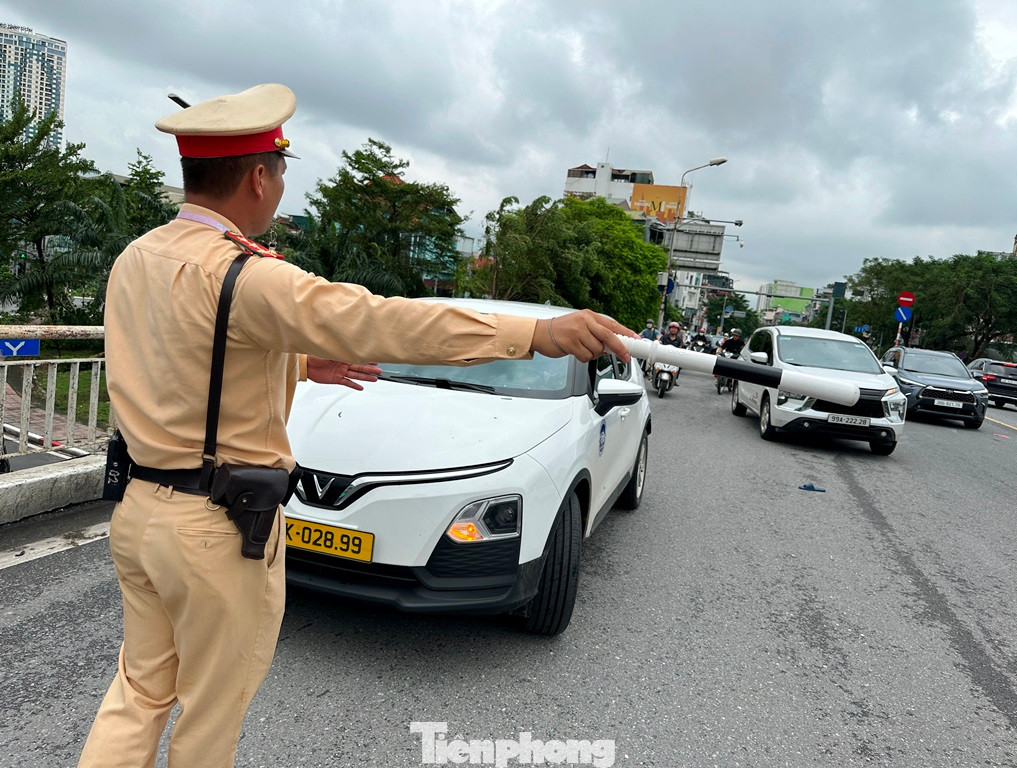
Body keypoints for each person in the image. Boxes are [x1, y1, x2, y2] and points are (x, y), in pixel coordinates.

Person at [78, 83, 636, 768]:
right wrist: (537, 332)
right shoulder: (249, 277)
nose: (280, 184)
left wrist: (299, 364)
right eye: (280, 170)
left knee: (138, 692)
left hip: (139, 512)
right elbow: (386, 320)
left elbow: (184, 357)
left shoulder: (136, 259)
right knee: (209, 715)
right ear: (259, 177)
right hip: (214, 531)